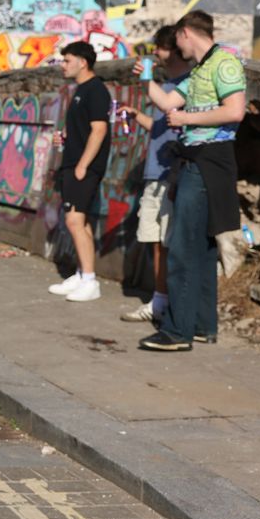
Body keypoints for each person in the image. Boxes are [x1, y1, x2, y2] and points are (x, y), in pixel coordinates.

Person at [139, 11, 246, 352]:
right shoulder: (199, 70)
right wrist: (145, 77)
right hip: (197, 160)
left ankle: (177, 332)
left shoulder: (224, 62)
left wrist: (187, 118)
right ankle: (201, 325)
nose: (176, 48)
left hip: (209, 160)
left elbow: (235, 110)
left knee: (184, 246)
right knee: (201, 246)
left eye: (177, 39)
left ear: (186, 33)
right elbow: (167, 103)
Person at [117, 26, 192, 323]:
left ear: (175, 49)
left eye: (159, 48)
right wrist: (139, 117)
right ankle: (160, 300)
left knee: (167, 241)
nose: (156, 54)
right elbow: (162, 128)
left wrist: (146, 80)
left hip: (170, 173)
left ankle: (166, 303)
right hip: (157, 173)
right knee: (156, 240)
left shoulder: (187, 83)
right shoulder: (170, 84)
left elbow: (171, 110)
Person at [47, 41, 110, 303]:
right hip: (73, 163)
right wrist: (65, 138)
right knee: (79, 221)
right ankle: (82, 274)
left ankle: (90, 280)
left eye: (67, 60)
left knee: (74, 220)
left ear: (83, 62)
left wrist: (83, 164)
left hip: (83, 167)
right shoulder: (80, 90)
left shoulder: (96, 89)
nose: (63, 65)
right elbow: (83, 129)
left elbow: (99, 129)